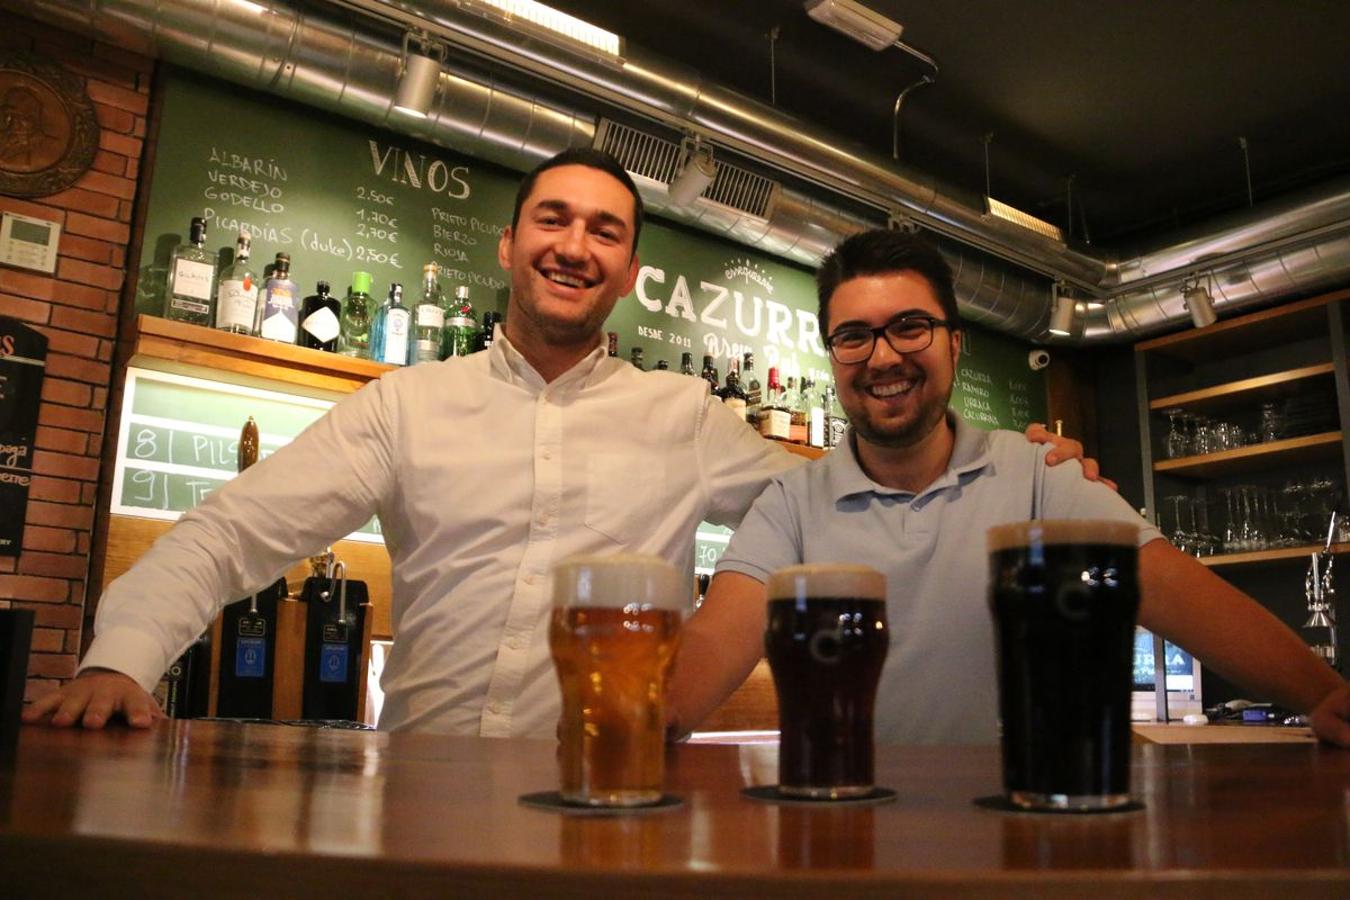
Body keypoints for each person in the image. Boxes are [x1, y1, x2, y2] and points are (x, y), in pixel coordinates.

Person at [23, 150, 1087, 737]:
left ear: (629, 275)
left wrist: (1025, 469)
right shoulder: (405, 404)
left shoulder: (684, 417)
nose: (575, 244)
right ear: (512, 244)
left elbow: (858, 493)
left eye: (606, 231)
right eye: (553, 219)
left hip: (616, 791)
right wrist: (121, 660)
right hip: (424, 788)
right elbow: (230, 533)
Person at [667, 228, 1350, 748]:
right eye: (854, 336)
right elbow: (712, 647)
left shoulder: (1036, 475)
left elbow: (1176, 590)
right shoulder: (791, 505)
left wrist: (1322, 695)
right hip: (859, 835)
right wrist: (621, 717)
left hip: (1028, 829)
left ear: (954, 343)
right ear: (833, 355)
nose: (883, 356)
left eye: (910, 327)